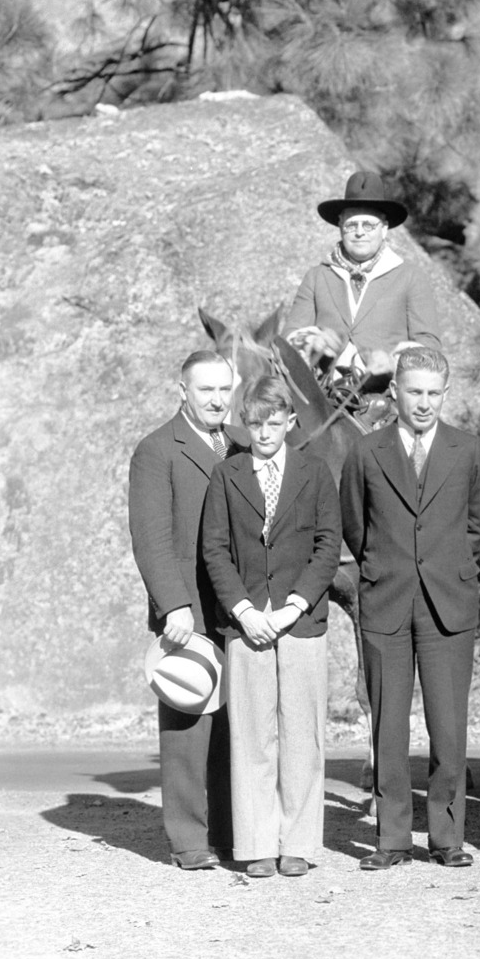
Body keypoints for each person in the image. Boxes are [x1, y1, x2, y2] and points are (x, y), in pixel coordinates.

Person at [338, 345, 480, 870]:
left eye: (433, 393)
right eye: (414, 392)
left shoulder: (468, 450)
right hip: (387, 598)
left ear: (444, 394)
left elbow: (478, 525)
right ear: (396, 393)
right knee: (389, 726)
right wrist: (388, 566)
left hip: (448, 602)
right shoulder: (367, 452)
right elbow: (355, 527)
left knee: (448, 727)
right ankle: (393, 840)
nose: (424, 403)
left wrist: (445, 566)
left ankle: (448, 837)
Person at [199, 376, 341, 879]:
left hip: (300, 624)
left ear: (291, 422)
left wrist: (292, 607)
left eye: (274, 422)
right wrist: (243, 611)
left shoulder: (315, 472)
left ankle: (298, 841)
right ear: (246, 423)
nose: (264, 432)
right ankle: (258, 842)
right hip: (247, 627)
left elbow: (328, 547)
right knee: (254, 737)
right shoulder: (227, 474)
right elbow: (214, 549)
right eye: (255, 423)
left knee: (302, 735)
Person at [127, 350, 239, 871]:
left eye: (223, 389)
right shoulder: (156, 451)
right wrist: (172, 604)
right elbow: (150, 539)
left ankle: (234, 834)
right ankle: (191, 842)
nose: (216, 399)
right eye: (205, 390)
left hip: (239, 608)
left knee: (238, 729)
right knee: (189, 727)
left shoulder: (243, 444)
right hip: (187, 609)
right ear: (183, 390)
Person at [285, 169, 445, 392]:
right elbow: (287, 339)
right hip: (322, 394)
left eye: (368, 225)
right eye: (351, 225)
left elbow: (430, 347)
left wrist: (394, 362)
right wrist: (312, 342)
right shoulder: (316, 276)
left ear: (385, 228)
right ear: (340, 227)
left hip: (387, 396)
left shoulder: (411, 277)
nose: (359, 232)